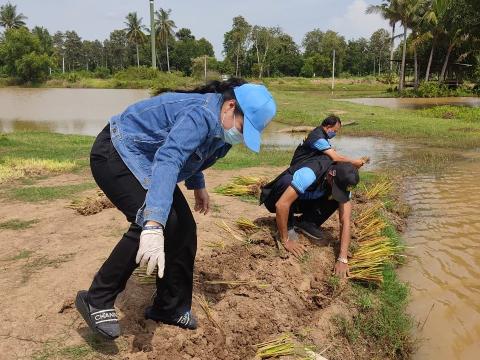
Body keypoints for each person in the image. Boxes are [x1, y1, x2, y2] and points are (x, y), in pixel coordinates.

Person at [75, 78, 276, 339]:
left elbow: (195, 155)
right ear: (229, 106)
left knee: (183, 228)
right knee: (152, 221)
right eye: (242, 126)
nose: (239, 135)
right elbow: (170, 157)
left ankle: (169, 308)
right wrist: (154, 224)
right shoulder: (200, 114)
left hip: (148, 161)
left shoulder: (222, 128)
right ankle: (97, 299)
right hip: (117, 152)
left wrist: (198, 184)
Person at [260, 148, 359, 279]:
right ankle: (288, 226)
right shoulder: (310, 172)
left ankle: (306, 222)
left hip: (302, 199)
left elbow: (345, 220)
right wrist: (286, 240)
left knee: (338, 199)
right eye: (337, 187)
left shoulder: (343, 182)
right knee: (287, 181)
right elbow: (281, 205)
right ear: (331, 174)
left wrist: (342, 258)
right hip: (278, 198)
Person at [293, 115, 367, 169]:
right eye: (334, 131)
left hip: (305, 162)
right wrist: (354, 162)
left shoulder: (319, 131)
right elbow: (336, 158)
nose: (335, 133)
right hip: (299, 166)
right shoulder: (319, 138)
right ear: (328, 127)